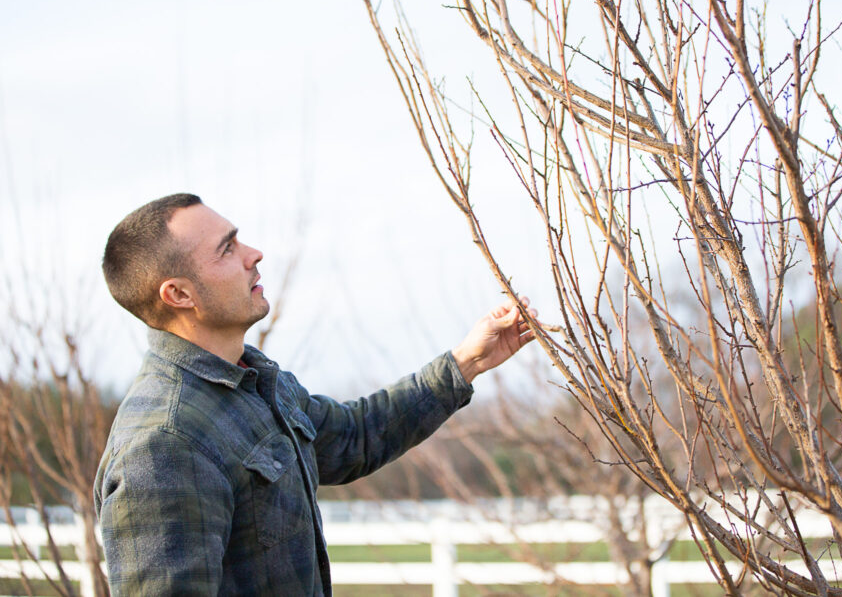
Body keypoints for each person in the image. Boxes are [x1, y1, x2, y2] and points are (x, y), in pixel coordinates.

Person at [93, 193, 536, 595]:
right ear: (179, 294)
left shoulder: (256, 382)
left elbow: (354, 437)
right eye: (227, 249)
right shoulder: (164, 444)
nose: (254, 254)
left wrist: (468, 362)